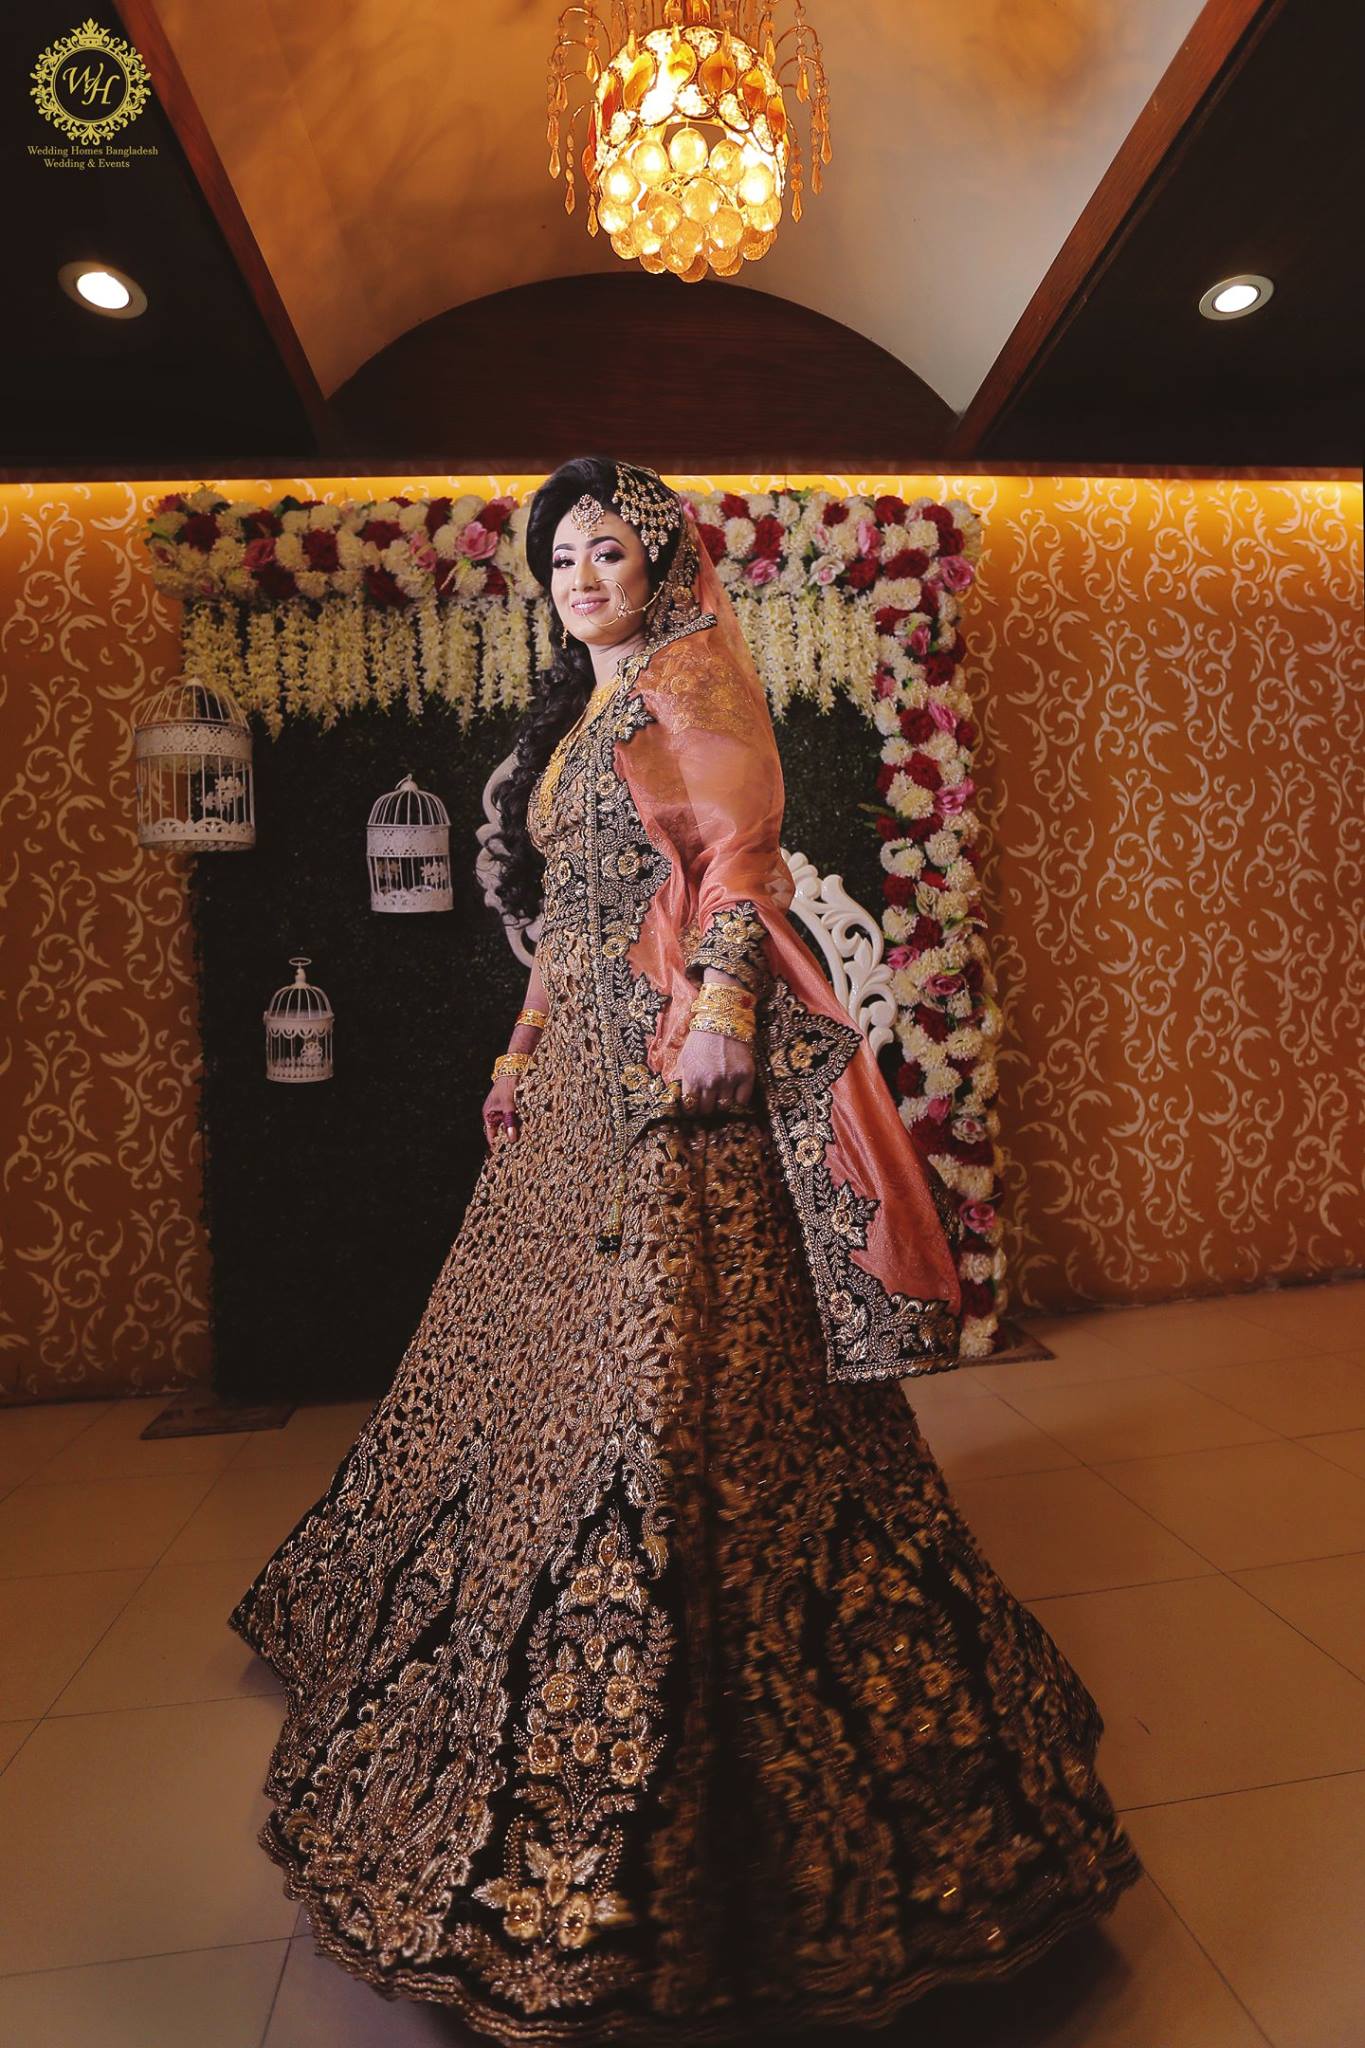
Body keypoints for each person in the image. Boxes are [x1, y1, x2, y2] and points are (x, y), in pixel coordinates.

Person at [228, 457, 1141, 2042]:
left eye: (605, 550)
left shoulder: (692, 674)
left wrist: (720, 1005)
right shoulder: (583, 714)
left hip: (670, 1079)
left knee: (665, 1391)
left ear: (658, 562)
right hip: (574, 1088)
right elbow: (571, 918)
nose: (579, 575)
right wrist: (519, 1052)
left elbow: (738, 858)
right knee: (527, 1381)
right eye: (558, 558)